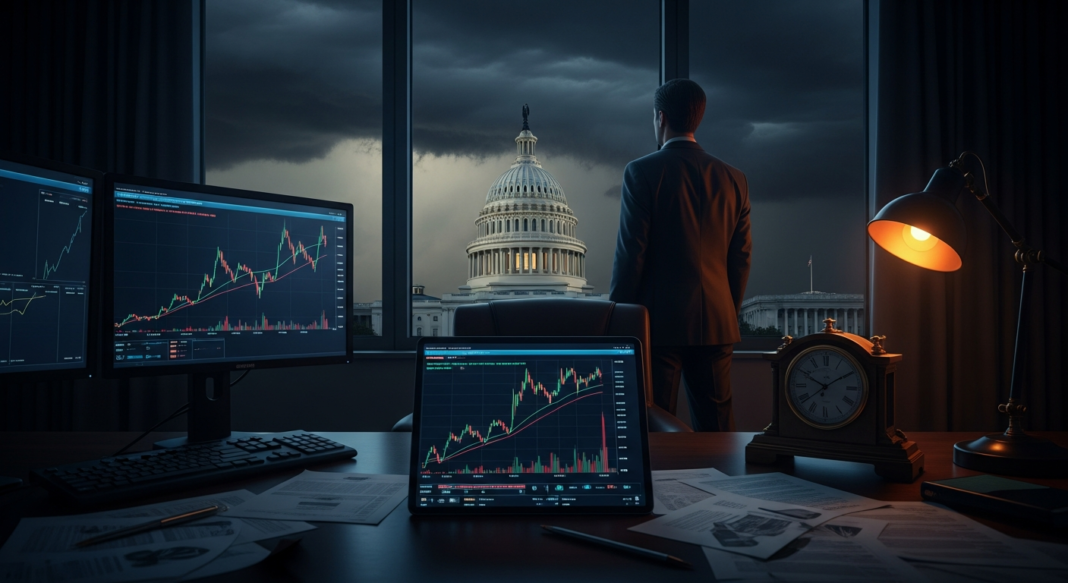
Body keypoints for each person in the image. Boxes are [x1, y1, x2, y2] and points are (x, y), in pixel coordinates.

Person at [609, 79, 752, 431]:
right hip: (717, 322)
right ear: (697, 119)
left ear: (660, 118)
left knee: (656, 427)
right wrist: (726, 312)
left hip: (660, 324)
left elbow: (631, 255)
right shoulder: (735, 178)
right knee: (719, 430)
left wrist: (616, 319)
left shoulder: (641, 171)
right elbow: (741, 257)